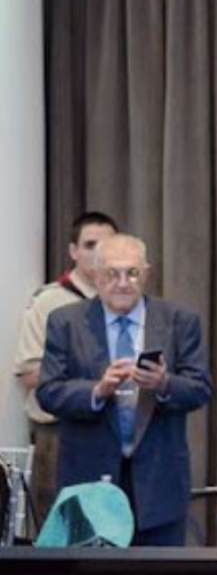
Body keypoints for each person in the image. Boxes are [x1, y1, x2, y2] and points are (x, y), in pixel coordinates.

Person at [37, 234, 212, 546]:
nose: (122, 283)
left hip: (159, 484)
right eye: (111, 274)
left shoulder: (179, 321)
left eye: (131, 273)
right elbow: (48, 392)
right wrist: (98, 390)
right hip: (88, 484)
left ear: (146, 272)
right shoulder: (66, 323)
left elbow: (200, 388)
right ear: (94, 273)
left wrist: (163, 383)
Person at [13, 211, 119, 527]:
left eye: (108, 244)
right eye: (89, 245)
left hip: (112, 429)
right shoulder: (50, 301)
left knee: (112, 525)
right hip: (61, 431)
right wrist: (92, 386)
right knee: (61, 526)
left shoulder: (125, 301)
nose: (99, 253)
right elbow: (30, 372)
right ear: (73, 251)